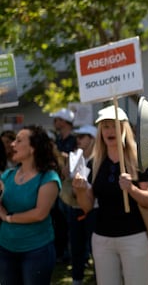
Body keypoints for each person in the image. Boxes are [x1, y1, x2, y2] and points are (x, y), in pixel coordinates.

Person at [72, 105, 148, 285]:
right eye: (105, 126)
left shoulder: (138, 159)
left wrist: (131, 188)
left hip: (134, 237)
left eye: (114, 125)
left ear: (124, 128)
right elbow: (87, 206)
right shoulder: (93, 162)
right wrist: (79, 190)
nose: (110, 130)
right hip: (102, 239)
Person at [0, 125, 62, 285]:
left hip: (37, 251)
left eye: (19, 141)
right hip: (6, 248)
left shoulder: (48, 178)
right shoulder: (7, 175)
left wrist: (8, 218)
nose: (12, 144)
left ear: (33, 148)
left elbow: (39, 213)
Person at [67, 125, 98, 285]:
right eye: (77, 137)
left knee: (96, 248)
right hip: (76, 208)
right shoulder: (77, 158)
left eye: (82, 137)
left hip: (94, 211)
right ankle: (77, 278)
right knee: (76, 246)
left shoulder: (99, 159)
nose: (77, 140)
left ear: (92, 139)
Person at [50, 107, 77, 262]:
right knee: (60, 221)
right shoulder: (58, 140)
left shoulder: (74, 139)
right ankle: (62, 252)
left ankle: (74, 253)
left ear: (65, 121)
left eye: (57, 120)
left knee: (71, 220)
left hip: (70, 185)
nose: (55, 123)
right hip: (58, 183)